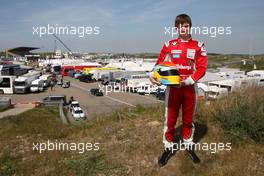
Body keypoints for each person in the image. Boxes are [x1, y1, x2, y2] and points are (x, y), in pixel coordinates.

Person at [149, 14, 208, 165]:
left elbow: (202, 68)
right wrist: (153, 76)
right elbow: (159, 64)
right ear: (176, 28)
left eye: (186, 25)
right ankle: (168, 147)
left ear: (190, 27)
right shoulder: (169, 44)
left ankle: (188, 145)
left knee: (188, 120)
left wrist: (188, 81)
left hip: (189, 88)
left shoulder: (198, 45)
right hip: (173, 89)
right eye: (180, 26)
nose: (183, 28)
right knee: (170, 120)